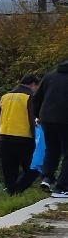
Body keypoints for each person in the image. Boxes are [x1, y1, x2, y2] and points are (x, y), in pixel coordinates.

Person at [0, 74, 40, 195]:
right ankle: (18, 191)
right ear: (32, 84)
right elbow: (33, 119)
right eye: (37, 87)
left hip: (4, 138)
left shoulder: (4, 97)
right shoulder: (29, 97)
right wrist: (37, 140)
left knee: (9, 171)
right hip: (24, 139)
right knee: (33, 168)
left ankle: (12, 194)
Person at [33, 59, 68, 197]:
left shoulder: (51, 75)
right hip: (65, 119)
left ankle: (47, 178)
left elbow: (36, 98)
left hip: (47, 118)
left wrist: (38, 115)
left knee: (52, 149)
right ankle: (62, 187)